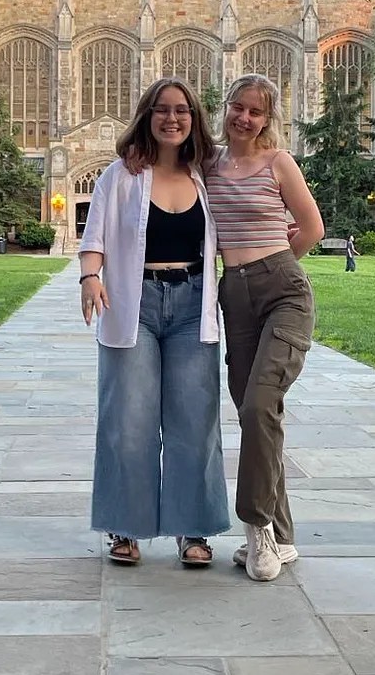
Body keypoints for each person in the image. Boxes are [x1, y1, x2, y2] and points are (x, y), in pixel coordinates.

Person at [78, 77, 229, 567]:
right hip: (132, 304)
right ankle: (125, 527)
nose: (172, 118)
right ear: (147, 116)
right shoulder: (120, 175)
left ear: (194, 118)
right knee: (129, 419)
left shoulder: (206, 175)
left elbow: (243, 215)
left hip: (192, 306)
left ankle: (193, 529)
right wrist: (90, 277)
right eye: (162, 109)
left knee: (195, 421)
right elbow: (94, 234)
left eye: (182, 110)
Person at [205, 74, 325, 582]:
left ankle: (257, 529)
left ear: (267, 119)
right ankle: (285, 534)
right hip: (234, 297)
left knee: (258, 405)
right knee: (256, 414)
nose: (245, 118)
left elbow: (312, 228)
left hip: (283, 291)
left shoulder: (279, 163)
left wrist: (273, 265)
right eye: (239, 107)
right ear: (226, 107)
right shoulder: (207, 164)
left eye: (256, 111)